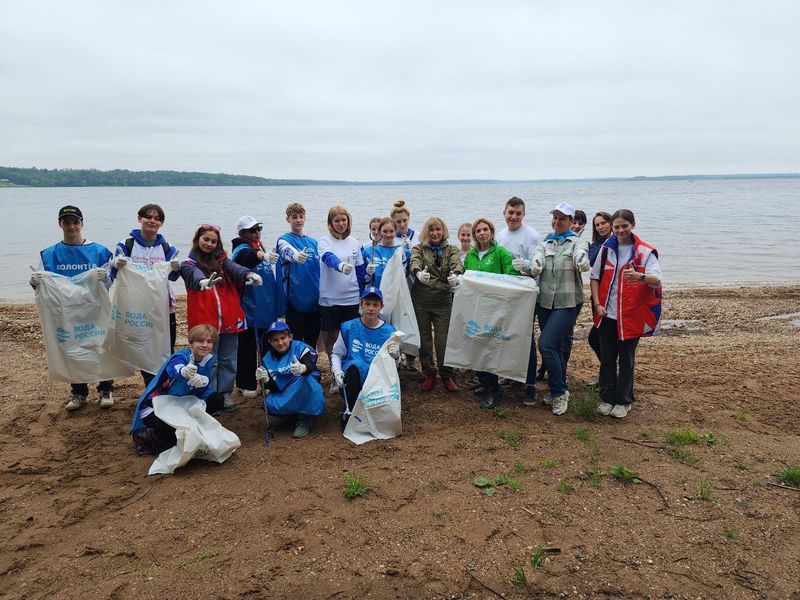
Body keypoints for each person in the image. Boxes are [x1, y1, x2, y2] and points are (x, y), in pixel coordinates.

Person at [31, 205, 114, 411]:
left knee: (100, 346)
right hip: (65, 313)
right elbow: (40, 281)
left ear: (82, 223)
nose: (71, 226)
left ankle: (106, 389)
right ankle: (79, 392)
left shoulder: (100, 251)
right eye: (66, 222)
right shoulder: (49, 254)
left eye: (75, 222)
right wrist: (34, 281)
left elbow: (113, 281)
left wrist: (107, 278)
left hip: (94, 310)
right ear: (60, 224)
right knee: (72, 348)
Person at [180, 224, 262, 412]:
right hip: (205, 321)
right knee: (208, 358)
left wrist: (250, 274)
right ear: (197, 240)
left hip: (229, 318)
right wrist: (202, 282)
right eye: (206, 239)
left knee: (228, 358)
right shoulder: (188, 264)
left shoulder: (223, 261)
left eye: (213, 241)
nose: (209, 244)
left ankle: (224, 393)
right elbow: (193, 275)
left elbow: (237, 268)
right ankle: (208, 394)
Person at [590, 209, 662, 419]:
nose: (620, 231)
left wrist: (639, 276)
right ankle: (606, 398)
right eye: (617, 227)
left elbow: (656, 280)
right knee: (607, 359)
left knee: (627, 359)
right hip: (607, 314)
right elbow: (594, 278)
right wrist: (596, 304)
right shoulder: (606, 248)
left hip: (631, 315)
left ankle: (624, 400)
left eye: (624, 226)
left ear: (633, 225)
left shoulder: (645, 251)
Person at [530, 202, 591, 416]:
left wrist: (582, 261)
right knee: (555, 347)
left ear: (570, 222)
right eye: (555, 218)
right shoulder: (544, 242)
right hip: (545, 301)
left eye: (562, 219)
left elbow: (580, 255)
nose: (557, 222)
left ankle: (558, 393)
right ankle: (560, 386)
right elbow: (536, 259)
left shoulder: (577, 242)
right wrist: (533, 265)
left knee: (545, 344)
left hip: (567, 302)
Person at [112, 203, 181, 385]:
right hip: (135, 308)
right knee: (139, 345)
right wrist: (115, 264)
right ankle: (150, 385)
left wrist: (176, 268)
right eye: (148, 217)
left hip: (163, 308)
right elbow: (114, 273)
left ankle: (161, 386)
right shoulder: (126, 245)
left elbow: (173, 277)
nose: (152, 221)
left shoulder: (168, 248)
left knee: (164, 347)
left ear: (162, 223)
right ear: (139, 218)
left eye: (157, 218)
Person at [129, 324, 225, 455]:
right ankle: (146, 435)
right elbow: (173, 369)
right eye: (200, 341)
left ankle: (191, 426)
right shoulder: (182, 356)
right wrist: (183, 371)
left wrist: (203, 382)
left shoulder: (209, 360)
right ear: (191, 342)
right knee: (173, 442)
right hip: (158, 405)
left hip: (183, 403)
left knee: (217, 399)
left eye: (209, 342)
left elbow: (197, 392)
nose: (205, 345)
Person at [463, 217, 519, 409]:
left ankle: (493, 390)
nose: (482, 233)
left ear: (492, 232)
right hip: (475, 309)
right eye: (478, 231)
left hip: (495, 309)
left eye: (485, 229)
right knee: (476, 346)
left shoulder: (500, 252)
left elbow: (512, 275)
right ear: (474, 235)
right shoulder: (470, 255)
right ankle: (485, 383)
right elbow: (466, 279)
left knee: (491, 348)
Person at [330, 287, 400, 430]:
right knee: (355, 367)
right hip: (354, 375)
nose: (370, 309)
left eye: (375, 305)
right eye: (367, 304)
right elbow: (337, 353)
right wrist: (336, 371)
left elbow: (395, 366)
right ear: (361, 304)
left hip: (377, 377)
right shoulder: (349, 327)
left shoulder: (389, 332)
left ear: (381, 307)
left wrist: (396, 356)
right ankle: (351, 411)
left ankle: (375, 412)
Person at [231, 215, 285, 399]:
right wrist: (263, 255)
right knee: (246, 348)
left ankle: (267, 380)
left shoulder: (259, 246)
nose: (256, 233)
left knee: (268, 348)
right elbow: (248, 259)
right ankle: (245, 383)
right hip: (250, 308)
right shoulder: (241, 251)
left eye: (258, 229)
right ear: (242, 233)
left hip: (267, 308)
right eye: (252, 230)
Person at [495, 196, 542, 405]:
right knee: (506, 336)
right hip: (505, 295)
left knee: (525, 338)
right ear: (504, 213)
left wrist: (527, 267)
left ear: (524, 214)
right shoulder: (500, 234)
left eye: (518, 213)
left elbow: (538, 267)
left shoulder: (531, 236)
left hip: (525, 296)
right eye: (510, 213)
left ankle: (530, 384)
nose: (513, 217)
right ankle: (513, 376)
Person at [409, 217, 463, 392]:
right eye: (431, 230)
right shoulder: (418, 248)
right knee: (424, 340)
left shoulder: (452, 249)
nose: (435, 233)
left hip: (443, 302)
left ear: (443, 230)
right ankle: (429, 373)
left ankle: (447, 374)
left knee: (443, 341)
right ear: (426, 232)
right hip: (422, 302)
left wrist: (456, 274)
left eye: (438, 229)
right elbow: (414, 262)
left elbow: (457, 263)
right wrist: (417, 273)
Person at [255, 321, 325, 439]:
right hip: (285, 389)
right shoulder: (266, 359)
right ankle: (293, 413)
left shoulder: (300, 347)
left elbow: (310, 365)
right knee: (269, 403)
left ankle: (305, 417)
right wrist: (266, 380)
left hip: (303, 384)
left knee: (306, 381)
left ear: (290, 337)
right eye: (275, 340)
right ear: (270, 342)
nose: (280, 342)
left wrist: (303, 368)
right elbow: (273, 387)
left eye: (283, 338)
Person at [318, 206, 367, 364]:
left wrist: (361, 293)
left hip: (351, 298)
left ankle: (349, 367)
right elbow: (327, 257)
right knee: (332, 336)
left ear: (348, 221)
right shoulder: (325, 241)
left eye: (343, 220)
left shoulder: (353, 242)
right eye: (337, 221)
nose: (341, 224)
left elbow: (360, 270)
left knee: (350, 335)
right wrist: (340, 266)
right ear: (330, 223)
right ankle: (334, 369)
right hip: (330, 298)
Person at [275, 203, 321, 349]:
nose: (298, 220)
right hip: (295, 300)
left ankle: (310, 367)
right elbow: (285, 250)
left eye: (301, 217)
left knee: (311, 338)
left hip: (315, 299)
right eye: (294, 217)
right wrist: (296, 255)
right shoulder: (284, 239)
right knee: (295, 340)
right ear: (288, 219)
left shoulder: (313, 242)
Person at [587, 211, 613, 365]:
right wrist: (606, 243)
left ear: (610, 223)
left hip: (612, 294)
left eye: (603, 223)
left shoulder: (618, 242)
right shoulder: (596, 245)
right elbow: (592, 261)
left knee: (599, 337)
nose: (601, 227)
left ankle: (608, 374)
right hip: (597, 294)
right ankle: (607, 373)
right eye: (597, 225)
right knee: (598, 337)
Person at [362, 217, 410, 288]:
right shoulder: (369, 251)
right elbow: (361, 276)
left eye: (391, 231)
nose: (388, 235)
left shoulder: (403, 252)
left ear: (395, 231)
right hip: (375, 295)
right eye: (385, 231)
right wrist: (367, 273)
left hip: (396, 294)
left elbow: (407, 275)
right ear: (380, 231)